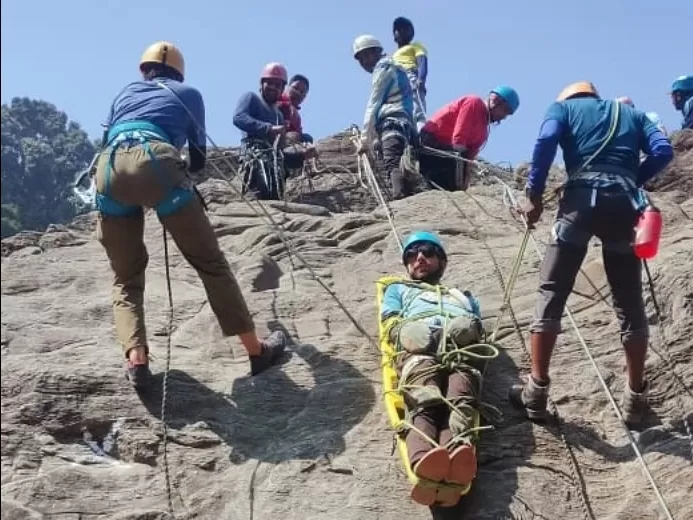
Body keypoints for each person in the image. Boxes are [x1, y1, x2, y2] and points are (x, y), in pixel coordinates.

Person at [94, 41, 287, 389]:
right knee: (210, 264)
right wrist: (177, 171)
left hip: (108, 169)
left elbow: (106, 136)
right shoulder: (189, 93)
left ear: (144, 70)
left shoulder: (125, 92)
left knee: (125, 278)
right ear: (179, 73)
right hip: (156, 161)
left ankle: (136, 359)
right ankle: (256, 351)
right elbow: (198, 158)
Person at [510, 81, 674, 428]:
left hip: (579, 207)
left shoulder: (563, 109)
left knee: (552, 293)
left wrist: (534, 195)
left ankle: (536, 391)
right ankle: (634, 399)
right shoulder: (634, 114)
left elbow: (545, 141)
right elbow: (663, 152)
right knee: (630, 304)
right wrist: (631, 178)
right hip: (624, 210)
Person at [380, 231, 498, 507]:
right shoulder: (398, 289)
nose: (419, 257)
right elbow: (389, 323)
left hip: (460, 350)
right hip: (418, 346)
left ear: (441, 261)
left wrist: (470, 328)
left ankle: (455, 455)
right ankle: (423, 457)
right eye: (412, 254)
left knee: (461, 400)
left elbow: (476, 325)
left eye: (428, 252)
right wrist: (408, 331)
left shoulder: (464, 297)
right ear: (407, 264)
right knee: (426, 395)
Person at [232, 63, 317, 200]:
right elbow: (239, 118)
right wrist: (268, 128)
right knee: (256, 199)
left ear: (282, 88)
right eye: (270, 83)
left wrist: (302, 156)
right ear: (262, 83)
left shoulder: (278, 115)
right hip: (254, 163)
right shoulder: (251, 98)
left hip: (275, 172)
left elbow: (280, 155)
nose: (273, 87)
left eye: (278, 85)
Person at [352, 34, 418, 200]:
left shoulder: (384, 67)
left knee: (392, 162)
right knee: (403, 163)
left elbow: (374, 104)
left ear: (376, 52)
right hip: (404, 124)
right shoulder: (396, 67)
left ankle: (401, 198)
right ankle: (407, 197)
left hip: (392, 122)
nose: (364, 62)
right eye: (360, 59)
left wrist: (365, 140)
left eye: (367, 55)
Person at [418, 87, 519, 191]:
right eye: (505, 111)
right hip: (431, 143)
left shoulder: (484, 131)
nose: (504, 117)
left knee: (458, 166)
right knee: (455, 165)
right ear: (496, 100)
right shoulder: (474, 103)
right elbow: (458, 141)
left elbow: (469, 159)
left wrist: (464, 186)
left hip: (448, 153)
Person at [391, 16, 428, 130]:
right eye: (398, 29)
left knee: (416, 106)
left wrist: (421, 79)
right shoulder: (393, 55)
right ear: (394, 36)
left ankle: (421, 131)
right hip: (394, 81)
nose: (402, 31)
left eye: (406, 28)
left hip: (409, 76)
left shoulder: (415, 46)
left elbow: (422, 61)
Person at [277, 74, 314, 145]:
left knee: (307, 138)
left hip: (288, 143)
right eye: (295, 88)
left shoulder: (296, 117)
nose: (298, 93)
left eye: (302, 92)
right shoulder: (276, 99)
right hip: (272, 135)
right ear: (287, 87)